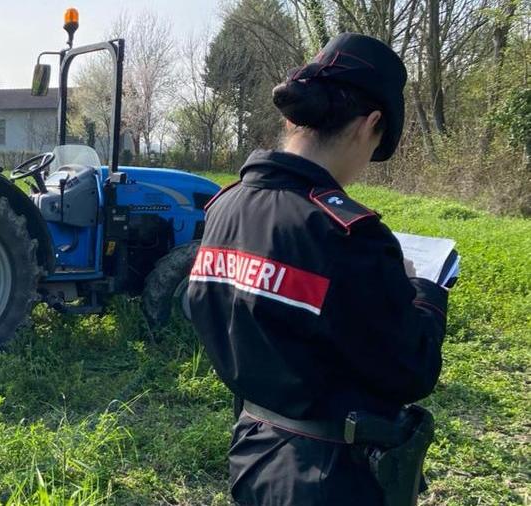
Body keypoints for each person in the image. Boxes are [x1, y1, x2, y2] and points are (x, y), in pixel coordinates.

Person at [187, 33, 448, 506]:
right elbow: (410, 369)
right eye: (375, 146)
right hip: (332, 476)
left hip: (252, 451)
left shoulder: (224, 207)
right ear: (369, 124)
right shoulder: (347, 234)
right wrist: (425, 291)